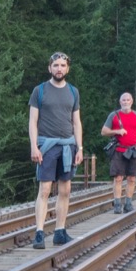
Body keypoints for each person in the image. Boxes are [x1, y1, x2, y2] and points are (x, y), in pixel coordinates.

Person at [27, 52, 83, 247]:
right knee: (44, 189)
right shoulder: (39, 91)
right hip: (47, 146)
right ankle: (40, 232)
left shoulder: (73, 92)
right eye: (56, 65)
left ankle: (60, 231)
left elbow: (76, 122)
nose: (59, 69)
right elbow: (33, 121)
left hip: (68, 146)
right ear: (49, 68)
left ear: (67, 68)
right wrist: (34, 146)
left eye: (62, 65)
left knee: (65, 189)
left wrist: (80, 147)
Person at [102, 92, 136, 214]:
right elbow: (104, 131)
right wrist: (117, 131)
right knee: (118, 178)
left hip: (134, 150)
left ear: (132, 102)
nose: (126, 102)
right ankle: (117, 204)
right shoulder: (114, 115)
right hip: (119, 150)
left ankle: (128, 203)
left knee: (132, 178)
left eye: (128, 100)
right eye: (123, 100)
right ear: (120, 102)